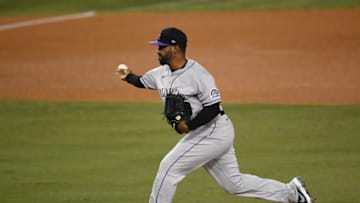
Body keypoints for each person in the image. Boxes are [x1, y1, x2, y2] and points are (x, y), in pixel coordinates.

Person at [116, 27, 315, 203]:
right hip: (203, 135)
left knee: (168, 168)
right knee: (233, 184)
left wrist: (189, 126)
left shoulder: (198, 75)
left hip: (214, 131)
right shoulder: (161, 73)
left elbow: (212, 107)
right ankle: (292, 193)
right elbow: (142, 81)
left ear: (175, 48)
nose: (157, 49)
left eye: (161, 46)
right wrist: (128, 76)